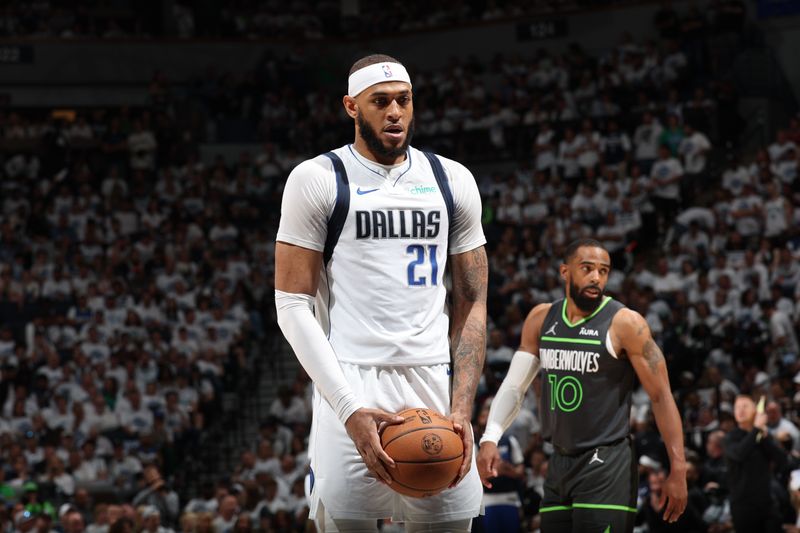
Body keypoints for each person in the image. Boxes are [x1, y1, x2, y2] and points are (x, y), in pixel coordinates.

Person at [274, 53, 487, 532]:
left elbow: (472, 300)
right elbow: (290, 304)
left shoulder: (452, 180)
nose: (395, 112)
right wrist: (347, 410)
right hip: (351, 381)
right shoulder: (316, 180)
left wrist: (461, 406)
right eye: (381, 101)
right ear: (351, 107)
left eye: (404, 101)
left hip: (434, 382)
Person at [477, 238, 687, 532]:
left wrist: (678, 468)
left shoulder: (626, 323)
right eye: (587, 268)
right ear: (565, 271)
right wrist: (490, 437)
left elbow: (661, 396)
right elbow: (515, 385)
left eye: (603, 271)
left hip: (608, 465)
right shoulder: (541, 318)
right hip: (560, 461)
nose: (596, 277)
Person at [724, 394, 787, 533]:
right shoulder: (730, 437)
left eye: (745, 406)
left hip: (767, 502)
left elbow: (782, 460)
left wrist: (764, 437)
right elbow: (740, 454)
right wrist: (756, 429)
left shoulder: (762, 435)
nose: (740, 410)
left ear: (756, 411)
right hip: (743, 506)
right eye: (737, 407)